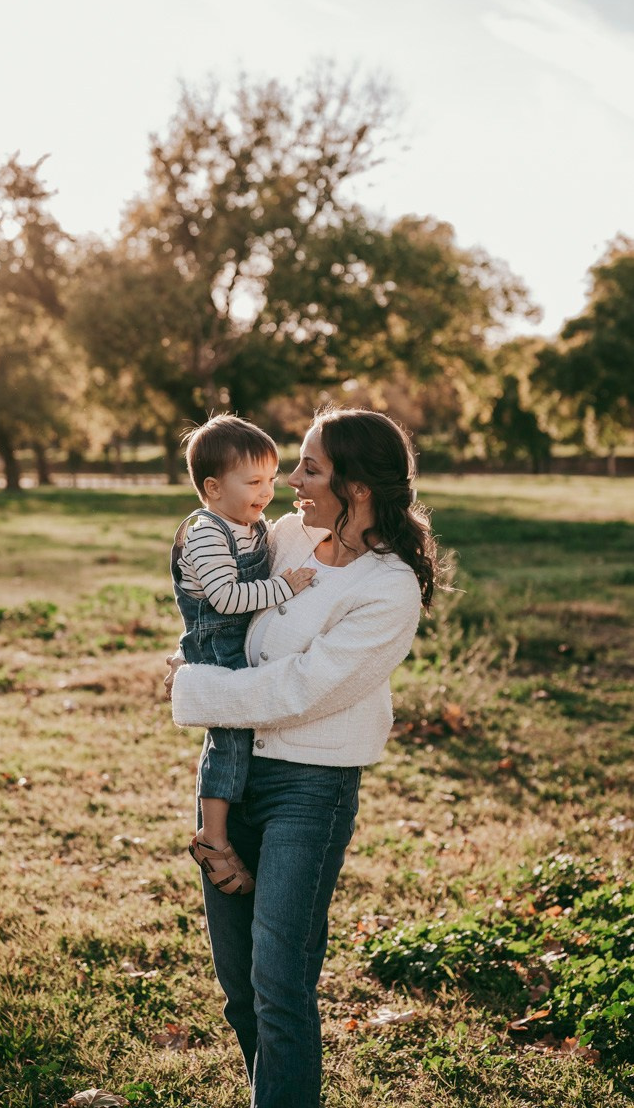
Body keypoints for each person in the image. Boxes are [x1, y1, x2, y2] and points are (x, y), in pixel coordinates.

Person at [165, 406, 439, 1108]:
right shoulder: (284, 535)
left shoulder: (388, 588)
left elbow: (301, 691)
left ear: (357, 487)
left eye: (310, 468)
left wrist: (196, 689)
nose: (290, 479)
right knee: (238, 992)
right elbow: (218, 603)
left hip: (308, 790)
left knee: (279, 984)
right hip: (231, 770)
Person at [171, 414, 315, 896]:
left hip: (237, 642)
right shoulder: (208, 531)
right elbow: (226, 599)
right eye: (254, 481)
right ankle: (212, 840)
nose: (268, 491)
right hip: (218, 647)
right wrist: (283, 588)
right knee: (229, 739)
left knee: (242, 736)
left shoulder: (248, 524)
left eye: (272, 479)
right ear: (212, 488)